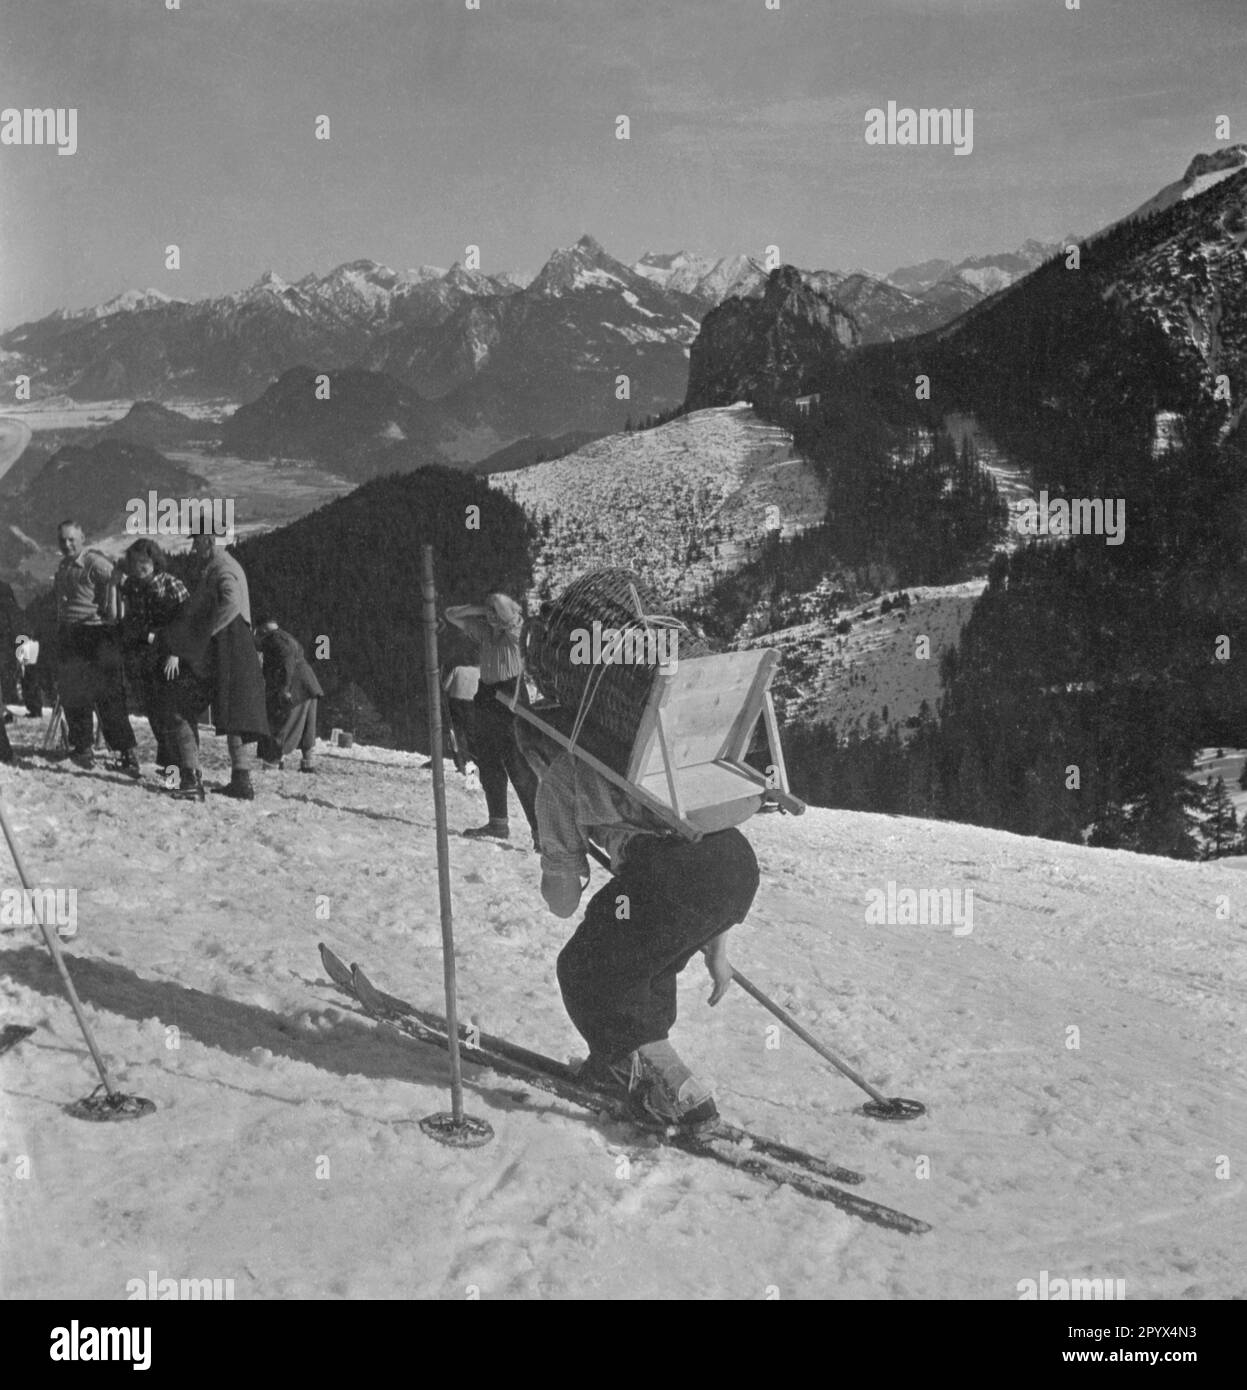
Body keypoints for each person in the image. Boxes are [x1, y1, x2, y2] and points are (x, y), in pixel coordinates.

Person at [517, 719, 760, 1128]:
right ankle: (621, 1067)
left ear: (537, 750)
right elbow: (701, 841)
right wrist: (718, 951)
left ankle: (682, 1095)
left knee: (584, 969)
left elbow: (562, 903)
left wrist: (554, 850)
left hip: (672, 877)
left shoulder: (560, 778)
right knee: (642, 963)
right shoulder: (642, 746)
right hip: (735, 864)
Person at [157, 530, 268, 800]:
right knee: (234, 713)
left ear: (208, 541)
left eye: (196, 541)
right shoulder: (221, 565)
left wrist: (203, 636)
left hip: (225, 649)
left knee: (180, 706)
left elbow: (230, 603)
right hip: (235, 650)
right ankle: (241, 781)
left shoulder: (221, 568)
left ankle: (190, 780)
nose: (193, 547)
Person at [445, 593, 539, 845]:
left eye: (495, 612)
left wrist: (493, 606)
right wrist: (481, 609)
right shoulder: (486, 633)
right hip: (486, 696)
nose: (491, 617)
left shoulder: (515, 631)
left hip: (510, 697)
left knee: (519, 767)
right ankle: (498, 823)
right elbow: (451, 614)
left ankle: (541, 834)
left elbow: (506, 612)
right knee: (488, 762)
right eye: (489, 613)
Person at [50, 520, 138, 774]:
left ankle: (126, 753)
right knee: (73, 693)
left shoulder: (94, 563)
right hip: (70, 635)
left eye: (71, 539)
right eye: (62, 540)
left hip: (96, 634)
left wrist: (111, 610)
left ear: (82, 538)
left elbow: (120, 581)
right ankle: (82, 748)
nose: (66, 544)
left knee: (107, 694)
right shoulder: (65, 565)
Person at [116, 538, 191, 786]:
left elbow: (186, 623)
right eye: (136, 562)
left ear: (155, 561)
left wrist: (176, 651)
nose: (141, 566)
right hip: (144, 660)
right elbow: (129, 625)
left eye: (146, 561)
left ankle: (182, 775)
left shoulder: (171, 584)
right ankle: (171, 774)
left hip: (169, 660)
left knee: (170, 718)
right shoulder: (133, 589)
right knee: (156, 719)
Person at [254, 619, 324, 773]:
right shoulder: (285, 636)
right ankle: (308, 763)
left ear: (262, 629)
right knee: (307, 726)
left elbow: (287, 661)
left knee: (282, 724)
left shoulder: (274, 639)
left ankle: (272, 763)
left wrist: (284, 688)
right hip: (309, 684)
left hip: (295, 686)